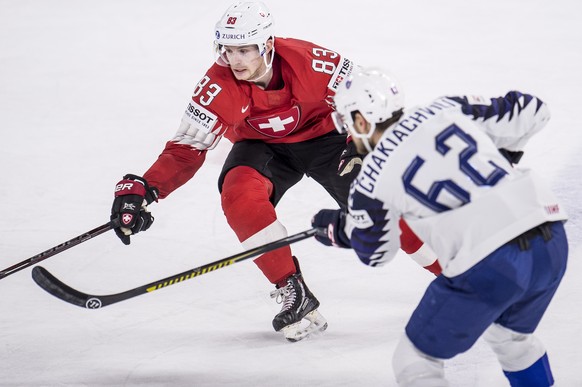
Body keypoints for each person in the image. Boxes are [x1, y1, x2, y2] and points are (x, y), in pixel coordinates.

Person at [109, 2, 439, 342]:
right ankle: (293, 289)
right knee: (239, 197)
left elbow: (371, 102)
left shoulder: (315, 62)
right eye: (227, 49)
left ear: (267, 45)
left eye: (244, 50)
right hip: (262, 146)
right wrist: (145, 187)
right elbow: (186, 148)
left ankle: (460, 275)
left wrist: (362, 144)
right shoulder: (217, 85)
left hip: (327, 139)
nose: (234, 60)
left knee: (382, 210)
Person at [311, 68, 568, 385]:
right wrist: (505, 154)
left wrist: (341, 230)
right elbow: (533, 110)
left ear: (362, 120)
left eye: (349, 122)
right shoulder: (446, 107)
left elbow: (377, 252)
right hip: (550, 237)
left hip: (490, 262)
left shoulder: (371, 178)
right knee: (510, 340)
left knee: (415, 362)